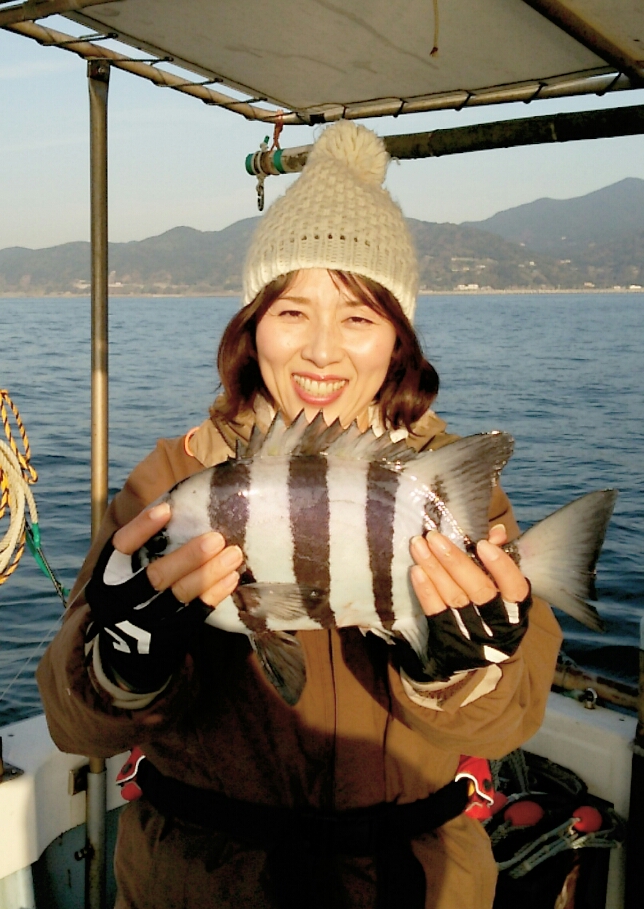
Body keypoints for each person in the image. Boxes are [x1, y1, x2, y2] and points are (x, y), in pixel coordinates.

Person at [37, 121, 562, 909]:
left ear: (397, 339)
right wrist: (121, 662)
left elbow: (503, 722)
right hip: (199, 885)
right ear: (252, 327)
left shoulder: (445, 490)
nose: (322, 351)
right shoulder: (174, 478)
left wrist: (454, 666)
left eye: (358, 317)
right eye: (291, 312)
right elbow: (75, 724)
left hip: (411, 884)